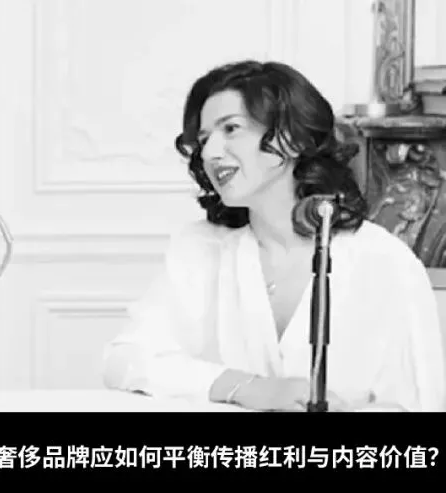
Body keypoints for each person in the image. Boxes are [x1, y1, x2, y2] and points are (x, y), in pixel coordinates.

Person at [100, 60, 445, 412]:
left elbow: (419, 404)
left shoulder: (386, 264)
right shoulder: (201, 249)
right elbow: (125, 359)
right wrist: (249, 388)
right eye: (203, 140)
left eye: (231, 129)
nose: (210, 153)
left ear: (292, 138)